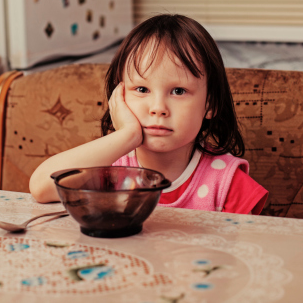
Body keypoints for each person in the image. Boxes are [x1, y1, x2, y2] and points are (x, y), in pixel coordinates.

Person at [29, 14, 268, 215]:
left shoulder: (225, 181)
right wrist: (127, 135)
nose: (158, 108)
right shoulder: (107, 165)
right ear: (119, 96)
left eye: (178, 91)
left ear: (210, 104)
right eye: (141, 89)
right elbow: (41, 187)